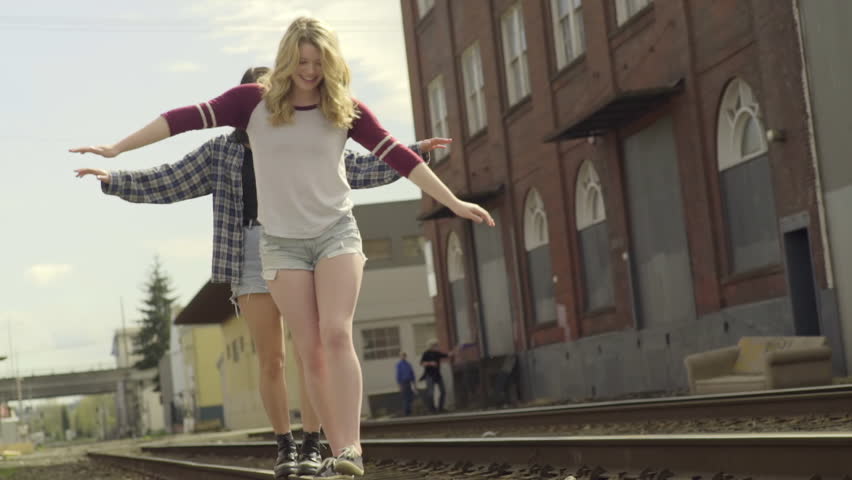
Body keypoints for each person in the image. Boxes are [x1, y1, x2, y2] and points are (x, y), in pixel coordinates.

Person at [71, 16, 494, 478]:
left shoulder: (343, 108)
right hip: (275, 246)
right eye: (301, 62)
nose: (309, 72)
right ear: (285, 62)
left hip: (334, 233)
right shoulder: (246, 110)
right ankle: (308, 447)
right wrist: (116, 155)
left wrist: (453, 200)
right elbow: (180, 124)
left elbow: (388, 157)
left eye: (318, 63)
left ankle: (346, 449)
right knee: (300, 351)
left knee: (335, 334)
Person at [420, 339, 454, 413]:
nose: (437, 346)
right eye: (436, 345)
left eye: (437, 345)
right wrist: (430, 363)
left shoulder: (437, 353)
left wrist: (452, 353)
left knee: (443, 391)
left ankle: (440, 408)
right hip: (429, 376)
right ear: (432, 346)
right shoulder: (426, 353)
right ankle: (432, 409)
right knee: (431, 393)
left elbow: (446, 355)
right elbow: (422, 363)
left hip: (437, 375)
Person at [395, 352, 416, 416]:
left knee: (410, 397)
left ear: (405, 356)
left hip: (409, 382)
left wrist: (414, 384)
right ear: (400, 357)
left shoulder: (408, 364)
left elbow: (412, 374)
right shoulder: (399, 365)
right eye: (402, 356)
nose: (403, 357)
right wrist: (399, 385)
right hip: (403, 383)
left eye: (404, 356)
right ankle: (406, 412)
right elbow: (398, 375)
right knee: (405, 397)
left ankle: (409, 410)